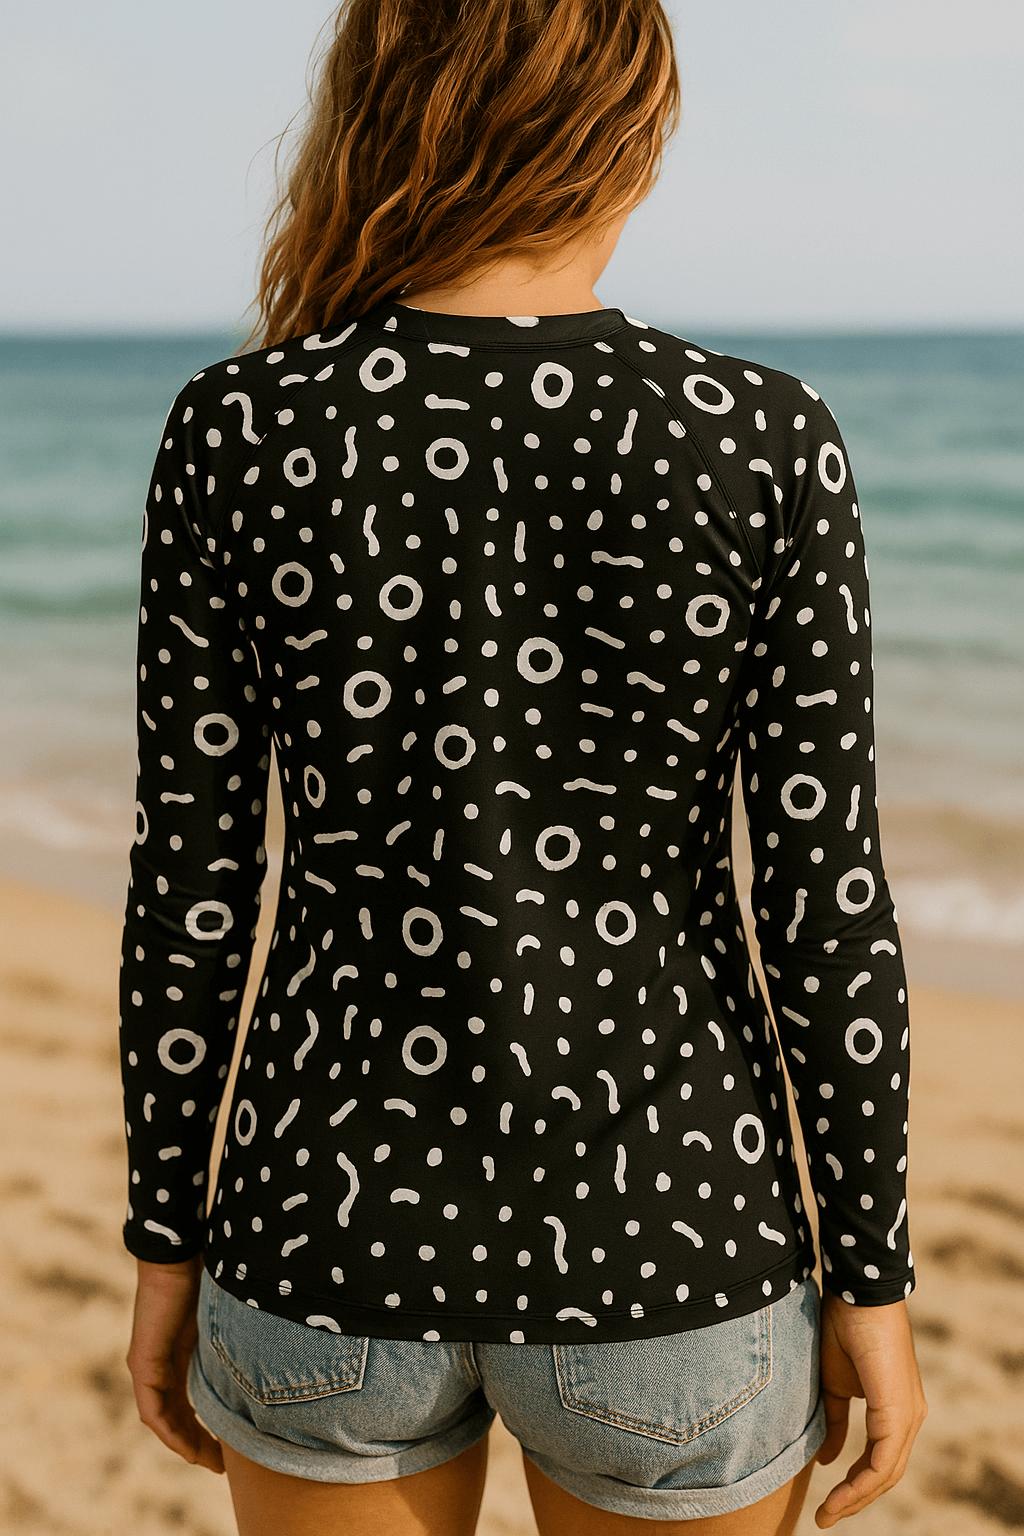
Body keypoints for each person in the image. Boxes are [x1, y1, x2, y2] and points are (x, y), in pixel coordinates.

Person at [121, 2, 927, 1531]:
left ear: (384, 117)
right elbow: (825, 899)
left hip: (321, 1241)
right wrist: (872, 1274)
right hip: (674, 1244)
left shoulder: (242, 428)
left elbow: (195, 889)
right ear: (623, 142)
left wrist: (167, 1241)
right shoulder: (760, 437)